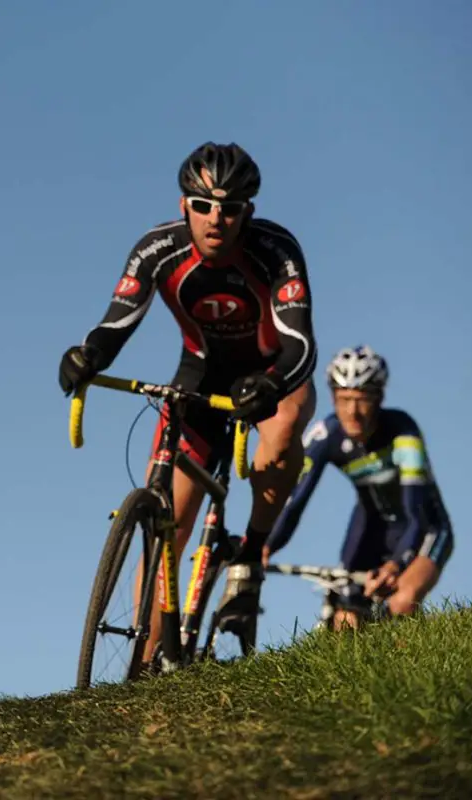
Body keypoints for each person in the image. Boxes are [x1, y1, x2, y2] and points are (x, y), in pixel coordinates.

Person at [58, 142, 318, 663]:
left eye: (230, 208)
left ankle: (249, 555)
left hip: (270, 372)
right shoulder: (159, 249)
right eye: (202, 206)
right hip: (201, 372)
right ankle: (148, 660)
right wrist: (88, 354)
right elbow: (116, 321)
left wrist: (270, 384)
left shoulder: (276, 250)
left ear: (249, 212)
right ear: (184, 207)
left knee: (284, 430)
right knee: (168, 525)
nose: (215, 219)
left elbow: (300, 346)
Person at [264, 346, 454, 629]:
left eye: (362, 400)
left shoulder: (404, 431)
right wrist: (265, 546)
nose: (352, 412)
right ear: (333, 398)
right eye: (344, 400)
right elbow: (295, 502)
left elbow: (418, 514)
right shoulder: (326, 435)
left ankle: (415, 668)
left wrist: (395, 566)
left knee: (401, 602)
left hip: (425, 529)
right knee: (345, 620)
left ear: (379, 399)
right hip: (371, 529)